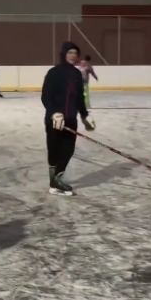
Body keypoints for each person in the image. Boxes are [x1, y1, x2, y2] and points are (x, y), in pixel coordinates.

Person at [41, 42, 96, 196]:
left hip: (70, 119)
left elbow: (79, 99)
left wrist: (85, 115)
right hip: (54, 120)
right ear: (64, 54)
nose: (73, 55)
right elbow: (46, 96)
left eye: (75, 53)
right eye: (70, 52)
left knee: (68, 150)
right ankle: (54, 182)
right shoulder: (53, 73)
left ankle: (57, 179)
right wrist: (54, 113)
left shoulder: (77, 74)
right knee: (54, 150)